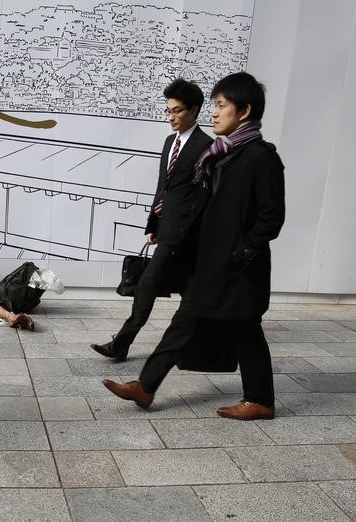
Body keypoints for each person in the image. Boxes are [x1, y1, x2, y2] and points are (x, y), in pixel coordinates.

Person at [102, 72, 285, 421]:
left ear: (244, 111)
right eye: (214, 105)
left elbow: (271, 217)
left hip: (238, 268)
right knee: (185, 322)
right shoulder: (223, 155)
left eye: (221, 106)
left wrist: (241, 253)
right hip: (213, 264)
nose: (214, 114)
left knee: (245, 329)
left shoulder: (261, 157)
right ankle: (145, 386)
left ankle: (260, 399)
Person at [92, 78, 213, 361]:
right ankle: (196, 345)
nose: (171, 117)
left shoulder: (206, 147)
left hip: (185, 235)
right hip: (168, 230)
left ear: (194, 110)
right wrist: (153, 224)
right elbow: (163, 187)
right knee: (188, 291)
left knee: (147, 286)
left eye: (177, 111)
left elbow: (205, 196)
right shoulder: (170, 142)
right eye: (168, 110)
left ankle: (121, 344)